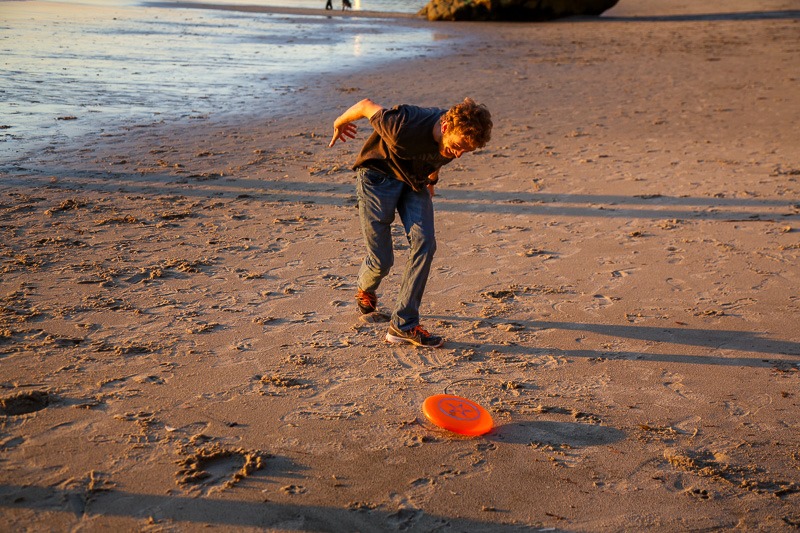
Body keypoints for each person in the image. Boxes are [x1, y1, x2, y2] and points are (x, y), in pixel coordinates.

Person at [328, 98, 492, 347]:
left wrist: (432, 178)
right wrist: (339, 122)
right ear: (445, 127)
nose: (458, 154)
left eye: (465, 152)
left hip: (414, 180)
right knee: (381, 260)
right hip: (377, 178)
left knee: (425, 242)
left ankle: (403, 324)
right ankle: (365, 288)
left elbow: (438, 156)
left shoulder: (454, 139)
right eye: (459, 147)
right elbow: (365, 106)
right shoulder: (403, 125)